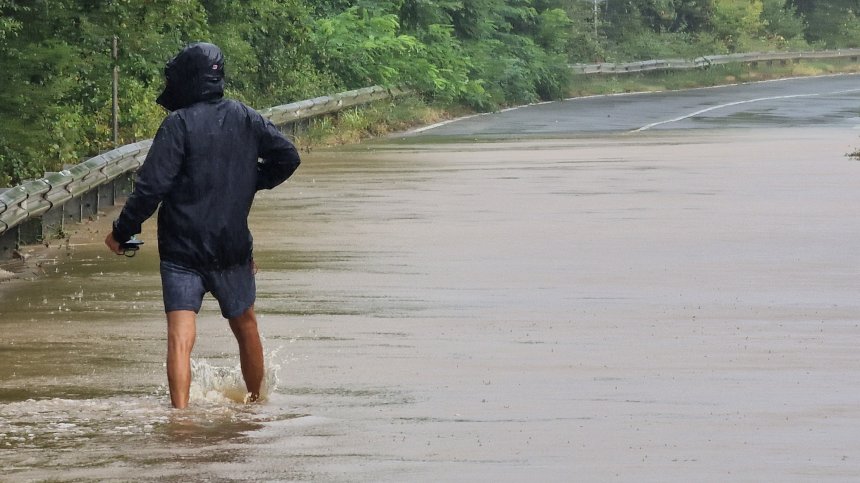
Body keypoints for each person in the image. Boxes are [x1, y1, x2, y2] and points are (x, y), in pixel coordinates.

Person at [105, 42, 301, 409]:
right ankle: (257, 408)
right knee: (246, 326)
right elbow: (288, 157)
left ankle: (180, 417)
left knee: (180, 335)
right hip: (233, 247)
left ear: (187, 79)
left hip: (182, 249)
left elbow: (151, 188)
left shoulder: (177, 124)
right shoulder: (247, 117)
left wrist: (121, 231)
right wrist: (251, 178)